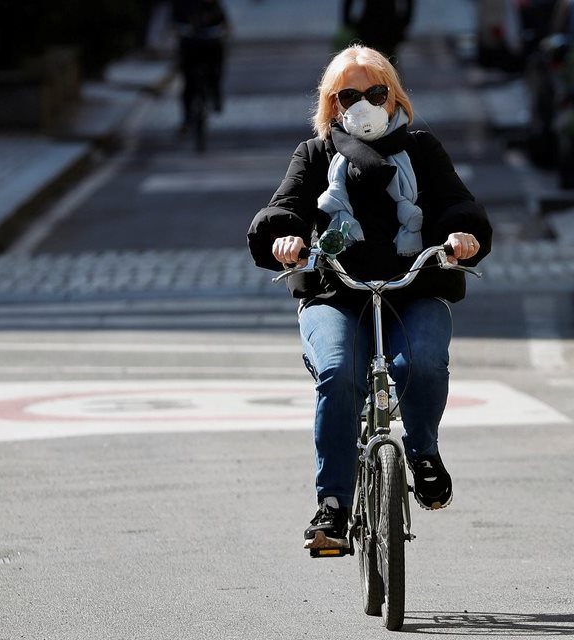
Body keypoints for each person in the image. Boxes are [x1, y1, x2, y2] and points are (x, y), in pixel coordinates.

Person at [246, 45, 491, 551]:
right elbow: (285, 206)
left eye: (375, 92)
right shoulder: (314, 155)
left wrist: (461, 235)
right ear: (332, 105)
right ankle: (332, 506)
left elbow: (456, 202)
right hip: (336, 292)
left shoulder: (422, 149)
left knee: (422, 362)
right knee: (338, 375)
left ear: (393, 95)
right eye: (350, 95)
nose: (364, 103)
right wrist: (285, 239)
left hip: (413, 287)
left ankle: (422, 451)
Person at [171, 0, 229, 133]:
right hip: (190, 44)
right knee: (188, 82)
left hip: (210, 43)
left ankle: (215, 94)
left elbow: (222, 20)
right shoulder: (181, 5)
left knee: (216, 67)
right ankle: (187, 118)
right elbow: (174, 22)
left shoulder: (211, 4)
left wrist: (222, 30)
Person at [342, 0, 413, 61]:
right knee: (367, 59)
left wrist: (403, 22)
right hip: (371, 24)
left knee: (388, 60)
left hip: (386, 24)